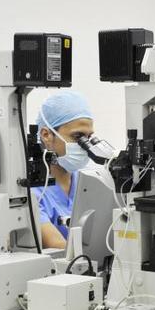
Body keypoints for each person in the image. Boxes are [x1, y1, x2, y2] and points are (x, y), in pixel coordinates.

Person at [33, 91, 96, 249]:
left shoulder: (88, 180)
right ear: (46, 135)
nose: (84, 145)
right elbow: (59, 247)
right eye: (77, 137)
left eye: (89, 138)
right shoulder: (32, 192)